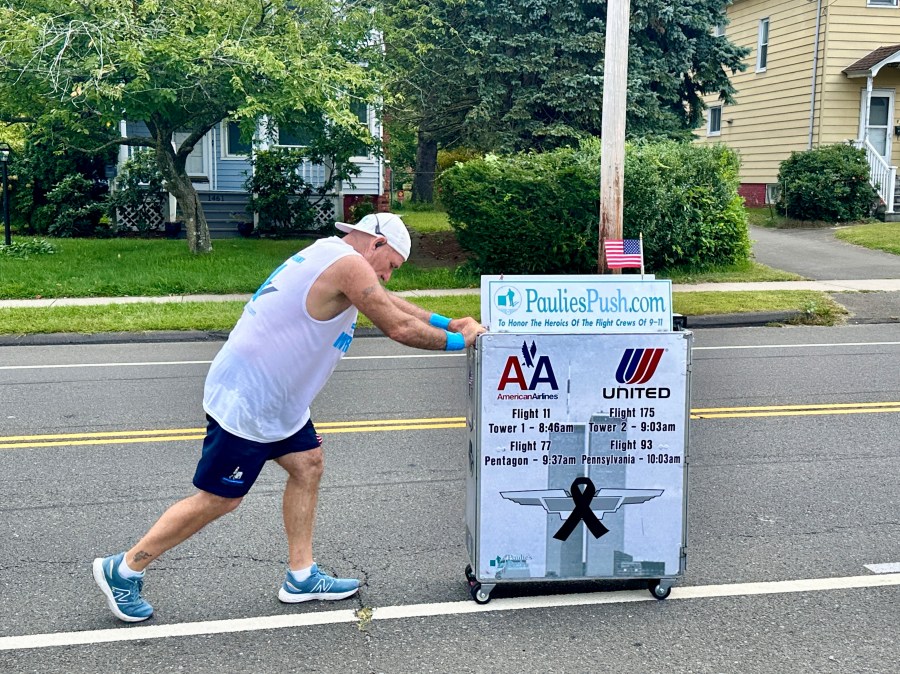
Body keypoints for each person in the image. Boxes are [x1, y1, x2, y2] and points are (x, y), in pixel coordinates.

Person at [93, 212, 485, 622]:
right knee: (220, 500)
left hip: (282, 403)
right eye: (391, 266)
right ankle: (124, 568)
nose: (388, 277)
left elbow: (386, 302)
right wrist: (461, 340)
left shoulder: (332, 254)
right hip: (252, 402)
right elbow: (397, 326)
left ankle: (301, 576)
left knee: (308, 465)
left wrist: (447, 320)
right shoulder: (348, 264)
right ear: (377, 244)